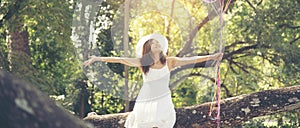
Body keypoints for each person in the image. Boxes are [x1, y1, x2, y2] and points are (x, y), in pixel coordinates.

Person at [83, 33, 223, 128]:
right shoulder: (143, 62)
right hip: (146, 97)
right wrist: (97, 59)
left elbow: (192, 60)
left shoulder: (170, 61)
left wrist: (212, 56)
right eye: (154, 43)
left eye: (158, 43)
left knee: (161, 123)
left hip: (162, 97)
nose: (157, 44)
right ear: (148, 48)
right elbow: (120, 60)